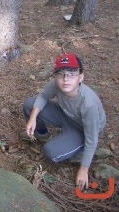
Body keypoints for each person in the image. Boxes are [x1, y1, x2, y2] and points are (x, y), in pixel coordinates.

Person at [20, 53, 106, 191]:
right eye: (61, 74)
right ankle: (42, 134)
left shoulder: (89, 104)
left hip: (82, 130)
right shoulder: (56, 84)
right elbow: (43, 96)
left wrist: (84, 169)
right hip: (66, 115)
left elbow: (92, 138)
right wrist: (33, 118)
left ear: (81, 77)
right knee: (30, 104)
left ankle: (79, 150)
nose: (66, 79)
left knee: (51, 152)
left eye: (72, 74)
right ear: (56, 76)